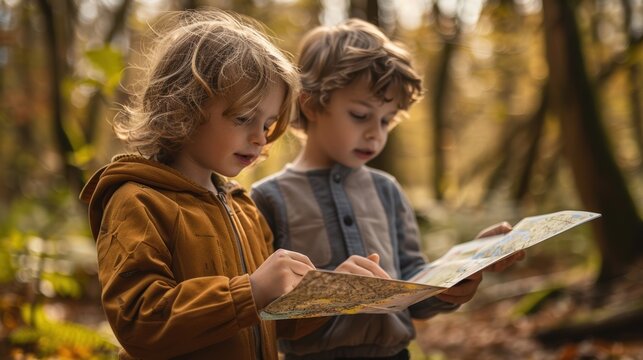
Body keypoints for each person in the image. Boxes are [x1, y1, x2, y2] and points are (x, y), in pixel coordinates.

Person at [79, 11, 388, 360]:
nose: (259, 138)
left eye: (269, 124)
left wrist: (334, 291)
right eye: (243, 118)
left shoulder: (243, 206)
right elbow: (138, 321)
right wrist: (250, 292)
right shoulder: (137, 202)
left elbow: (275, 320)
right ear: (184, 107)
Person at [251, 18, 525, 360]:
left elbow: (412, 287)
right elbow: (259, 307)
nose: (375, 134)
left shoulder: (387, 191)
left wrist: (458, 277)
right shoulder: (267, 198)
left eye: (386, 120)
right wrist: (330, 290)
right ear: (311, 104)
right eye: (360, 115)